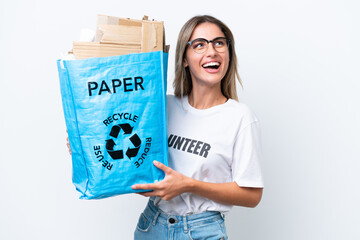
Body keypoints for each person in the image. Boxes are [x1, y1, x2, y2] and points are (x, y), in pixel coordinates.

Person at [130, 15, 264, 240]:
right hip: (151, 226)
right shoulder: (164, 107)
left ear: (228, 54)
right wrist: (84, 146)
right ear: (184, 59)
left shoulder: (240, 118)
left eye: (219, 43)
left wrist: (188, 185)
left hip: (201, 231)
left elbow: (252, 195)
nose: (212, 51)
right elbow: (134, 155)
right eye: (200, 44)